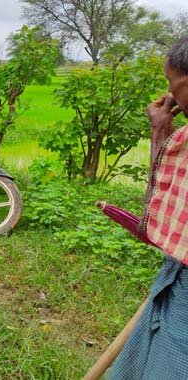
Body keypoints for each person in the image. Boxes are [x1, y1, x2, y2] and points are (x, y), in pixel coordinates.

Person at [108, 36, 188, 379]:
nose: (171, 97)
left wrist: (160, 131)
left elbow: (155, 212)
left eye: (171, 83)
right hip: (176, 272)